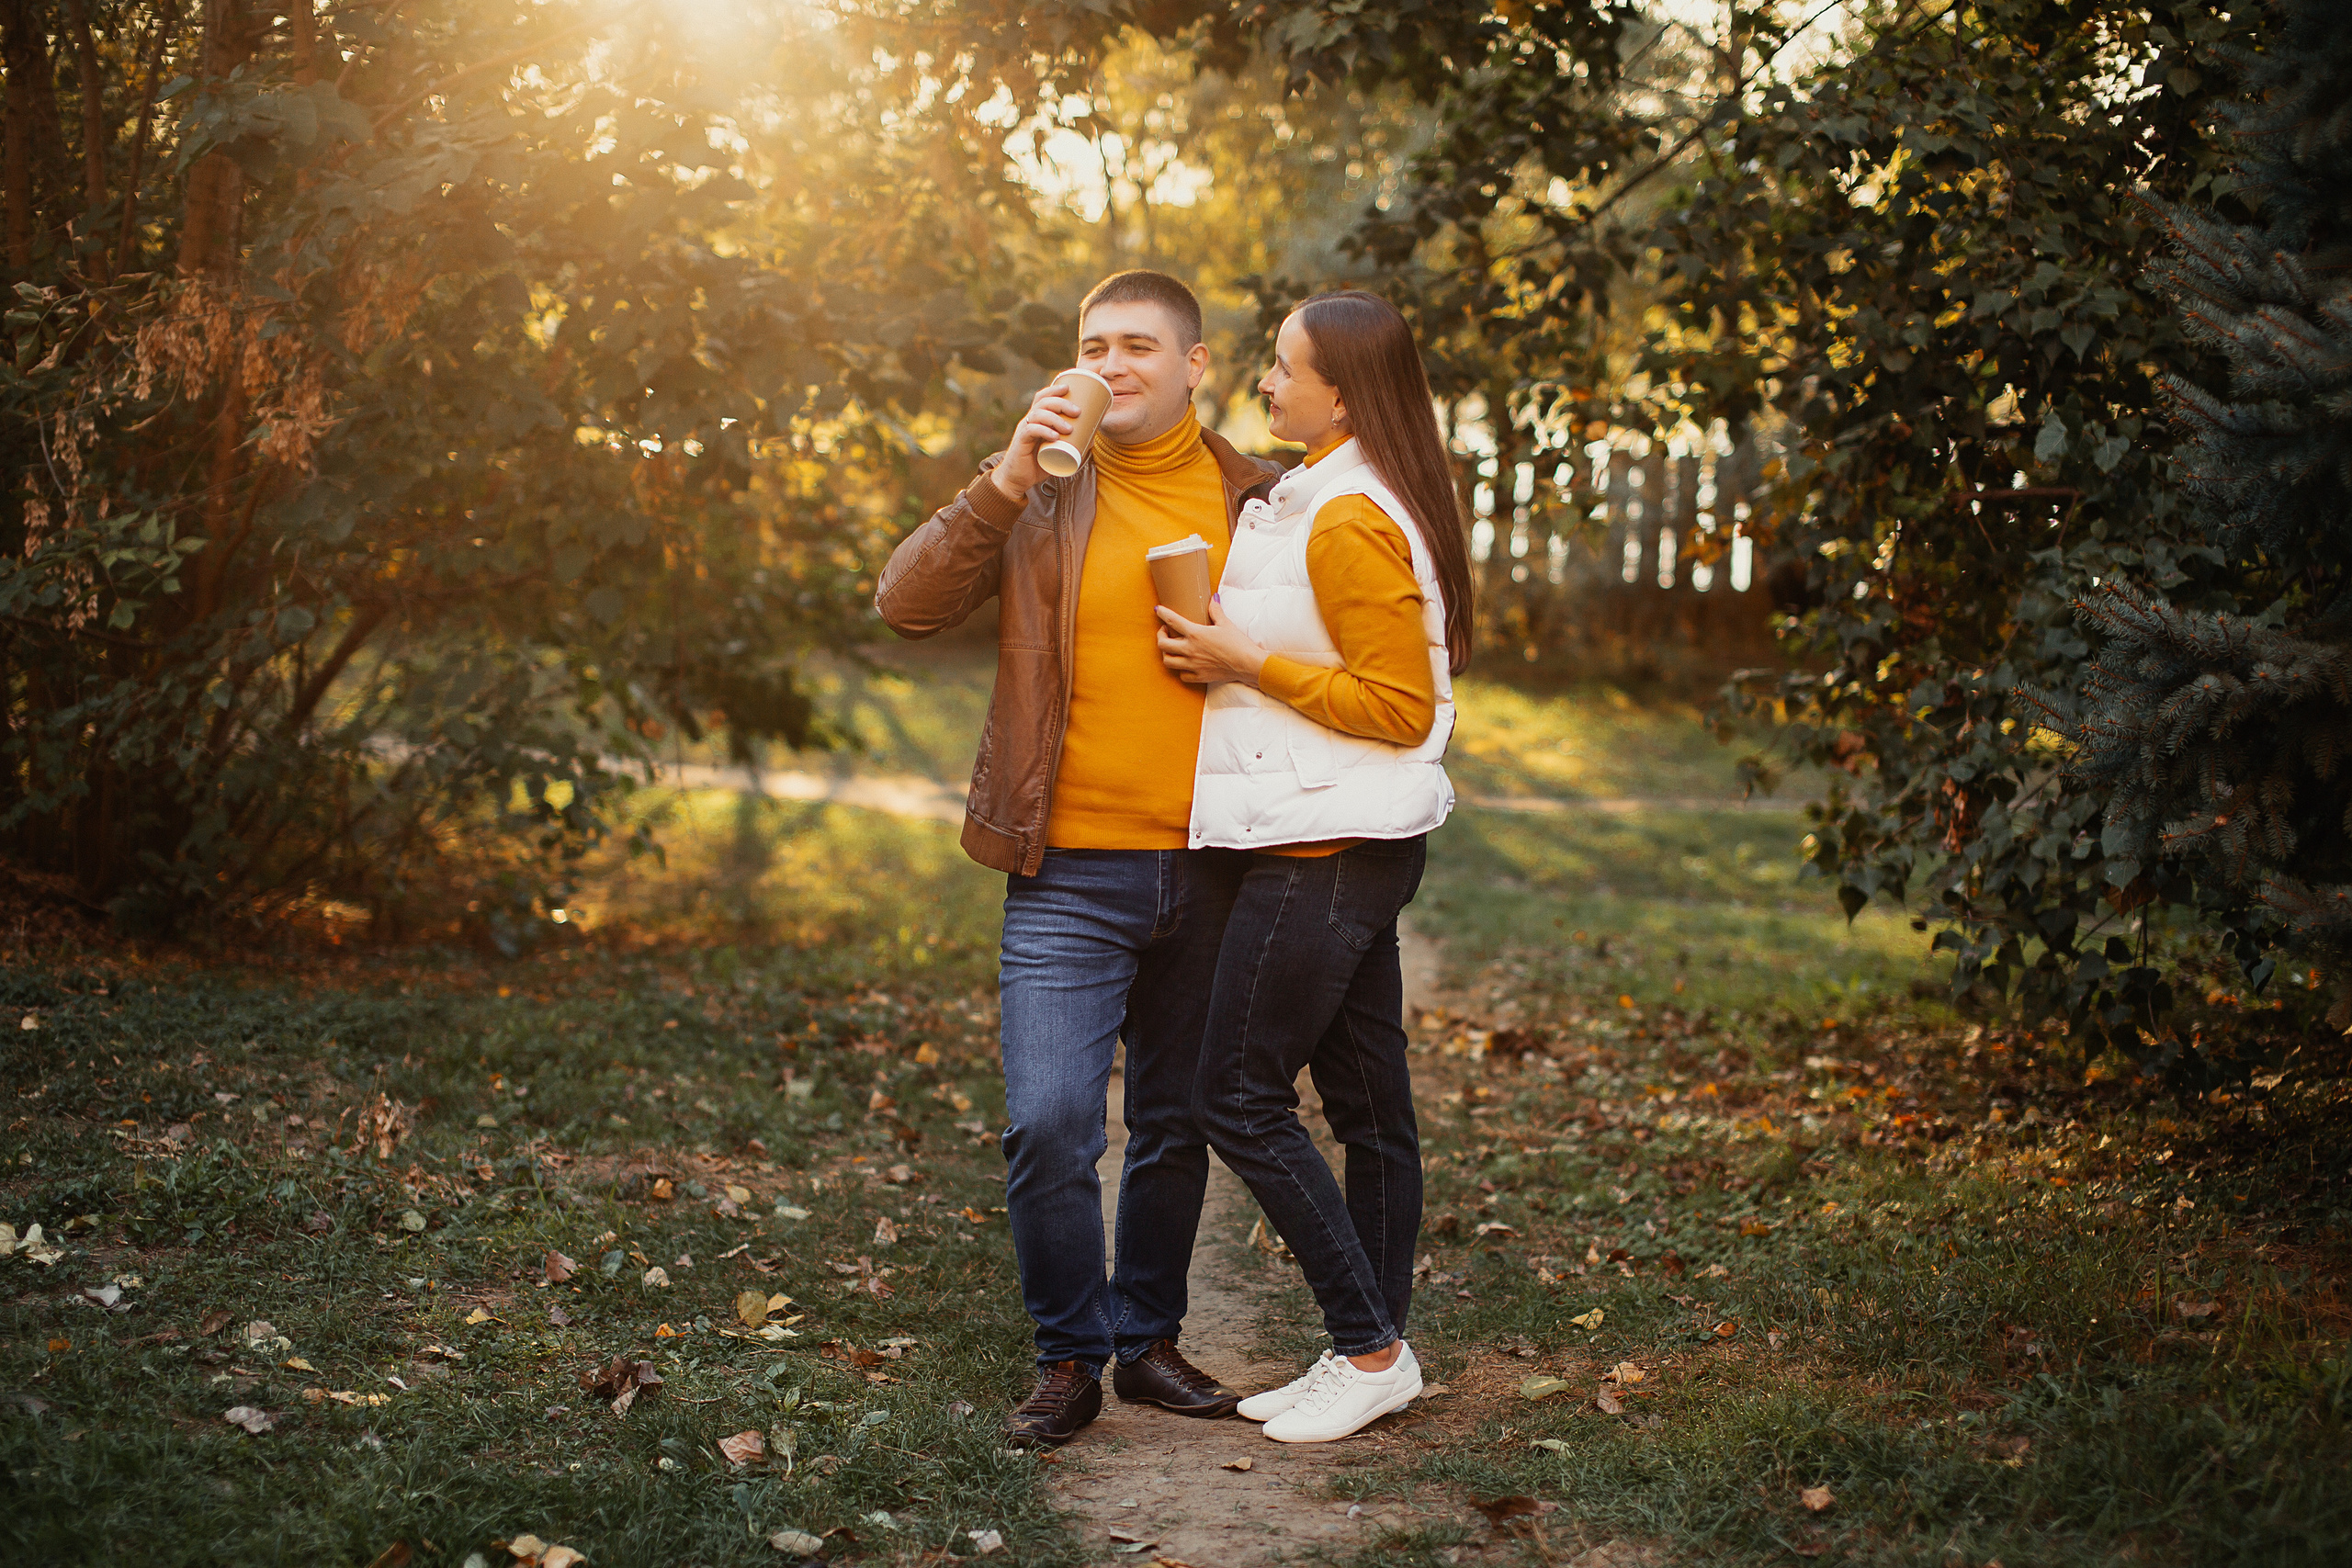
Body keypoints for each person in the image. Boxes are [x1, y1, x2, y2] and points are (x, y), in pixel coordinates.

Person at [875, 271, 1281, 1447]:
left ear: (1195, 363)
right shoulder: (1040, 490)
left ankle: (1146, 1341)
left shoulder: (1264, 493)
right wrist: (1006, 474)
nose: (1114, 363)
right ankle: (1069, 1357)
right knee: (1051, 1121)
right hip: (1066, 868)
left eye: (1139, 346)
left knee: (1173, 1119)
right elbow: (904, 605)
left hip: (1216, 862)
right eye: (1095, 344)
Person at [1155, 289, 1472, 1444]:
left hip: (1323, 846)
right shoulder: (1323, 485)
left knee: (1232, 1094)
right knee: (1369, 1107)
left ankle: (1369, 1346)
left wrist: (1246, 659)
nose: (1264, 384)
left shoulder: (1349, 514)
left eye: (1282, 369)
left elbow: (1397, 705)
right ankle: (1370, 1352)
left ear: (1342, 387)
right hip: (1339, 833)